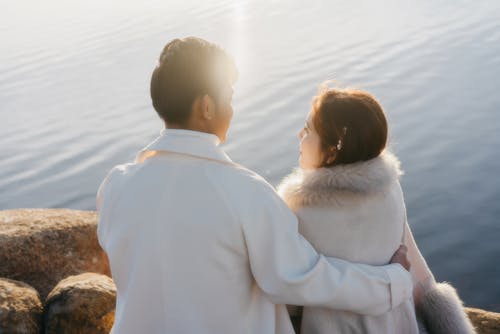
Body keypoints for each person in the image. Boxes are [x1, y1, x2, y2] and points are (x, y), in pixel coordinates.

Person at [96, 37, 414, 334]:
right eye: (229, 97)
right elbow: (304, 278)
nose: (232, 109)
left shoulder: (115, 186)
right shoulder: (245, 193)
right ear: (206, 107)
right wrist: (393, 281)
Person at [278, 87, 475, 333]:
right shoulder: (390, 192)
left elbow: (289, 298)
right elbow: (416, 270)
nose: (299, 135)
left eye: (307, 130)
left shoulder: (299, 213)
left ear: (331, 152)